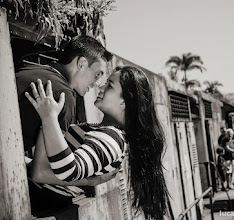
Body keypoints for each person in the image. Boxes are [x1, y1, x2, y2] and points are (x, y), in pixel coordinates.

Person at [25, 66, 170, 220]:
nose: (100, 87)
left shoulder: (111, 139)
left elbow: (65, 170)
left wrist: (49, 117)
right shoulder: (100, 131)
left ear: (125, 101)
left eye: (109, 85)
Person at [15, 35, 114, 214]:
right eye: (97, 74)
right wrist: (92, 181)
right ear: (82, 64)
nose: (96, 83)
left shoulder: (32, 68)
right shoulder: (63, 95)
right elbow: (40, 173)